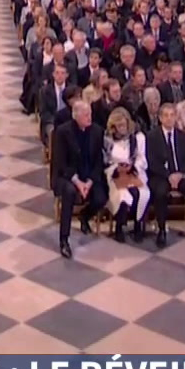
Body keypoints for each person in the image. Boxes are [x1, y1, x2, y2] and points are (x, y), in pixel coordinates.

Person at [52, 99, 107, 258]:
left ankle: (85, 216)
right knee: (69, 193)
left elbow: (98, 161)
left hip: (88, 175)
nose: (89, 117)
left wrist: (88, 182)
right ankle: (64, 240)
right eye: (85, 115)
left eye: (90, 114)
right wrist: (77, 182)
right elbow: (61, 163)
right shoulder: (63, 132)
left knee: (101, 197)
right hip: (67, 176)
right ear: (75, 116)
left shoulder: (97, 131)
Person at [145, 100, 185, 248]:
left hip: (180, 175)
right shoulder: (152, 136)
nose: (169, 118)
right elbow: (152, 162)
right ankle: (162, 229)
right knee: (160, 192)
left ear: (176, 117)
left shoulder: (182, 136)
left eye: (172, 115)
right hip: (161, 176)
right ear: (160, 118)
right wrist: (169, 175)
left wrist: (181, 174)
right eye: (166, 115)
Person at [102, 106, 148, 241]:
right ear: (113, 126)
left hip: (134, 172)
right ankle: (119, 227)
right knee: (123, 195)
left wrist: (134, 167)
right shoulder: (107, 140)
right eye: (119, 125)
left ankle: (138, 225)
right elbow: (106, 161)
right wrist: (117, 168)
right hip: (115, 174)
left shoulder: (137, 138)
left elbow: (142, 158)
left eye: (124, 124)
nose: (122, 128)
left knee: (141, 193)